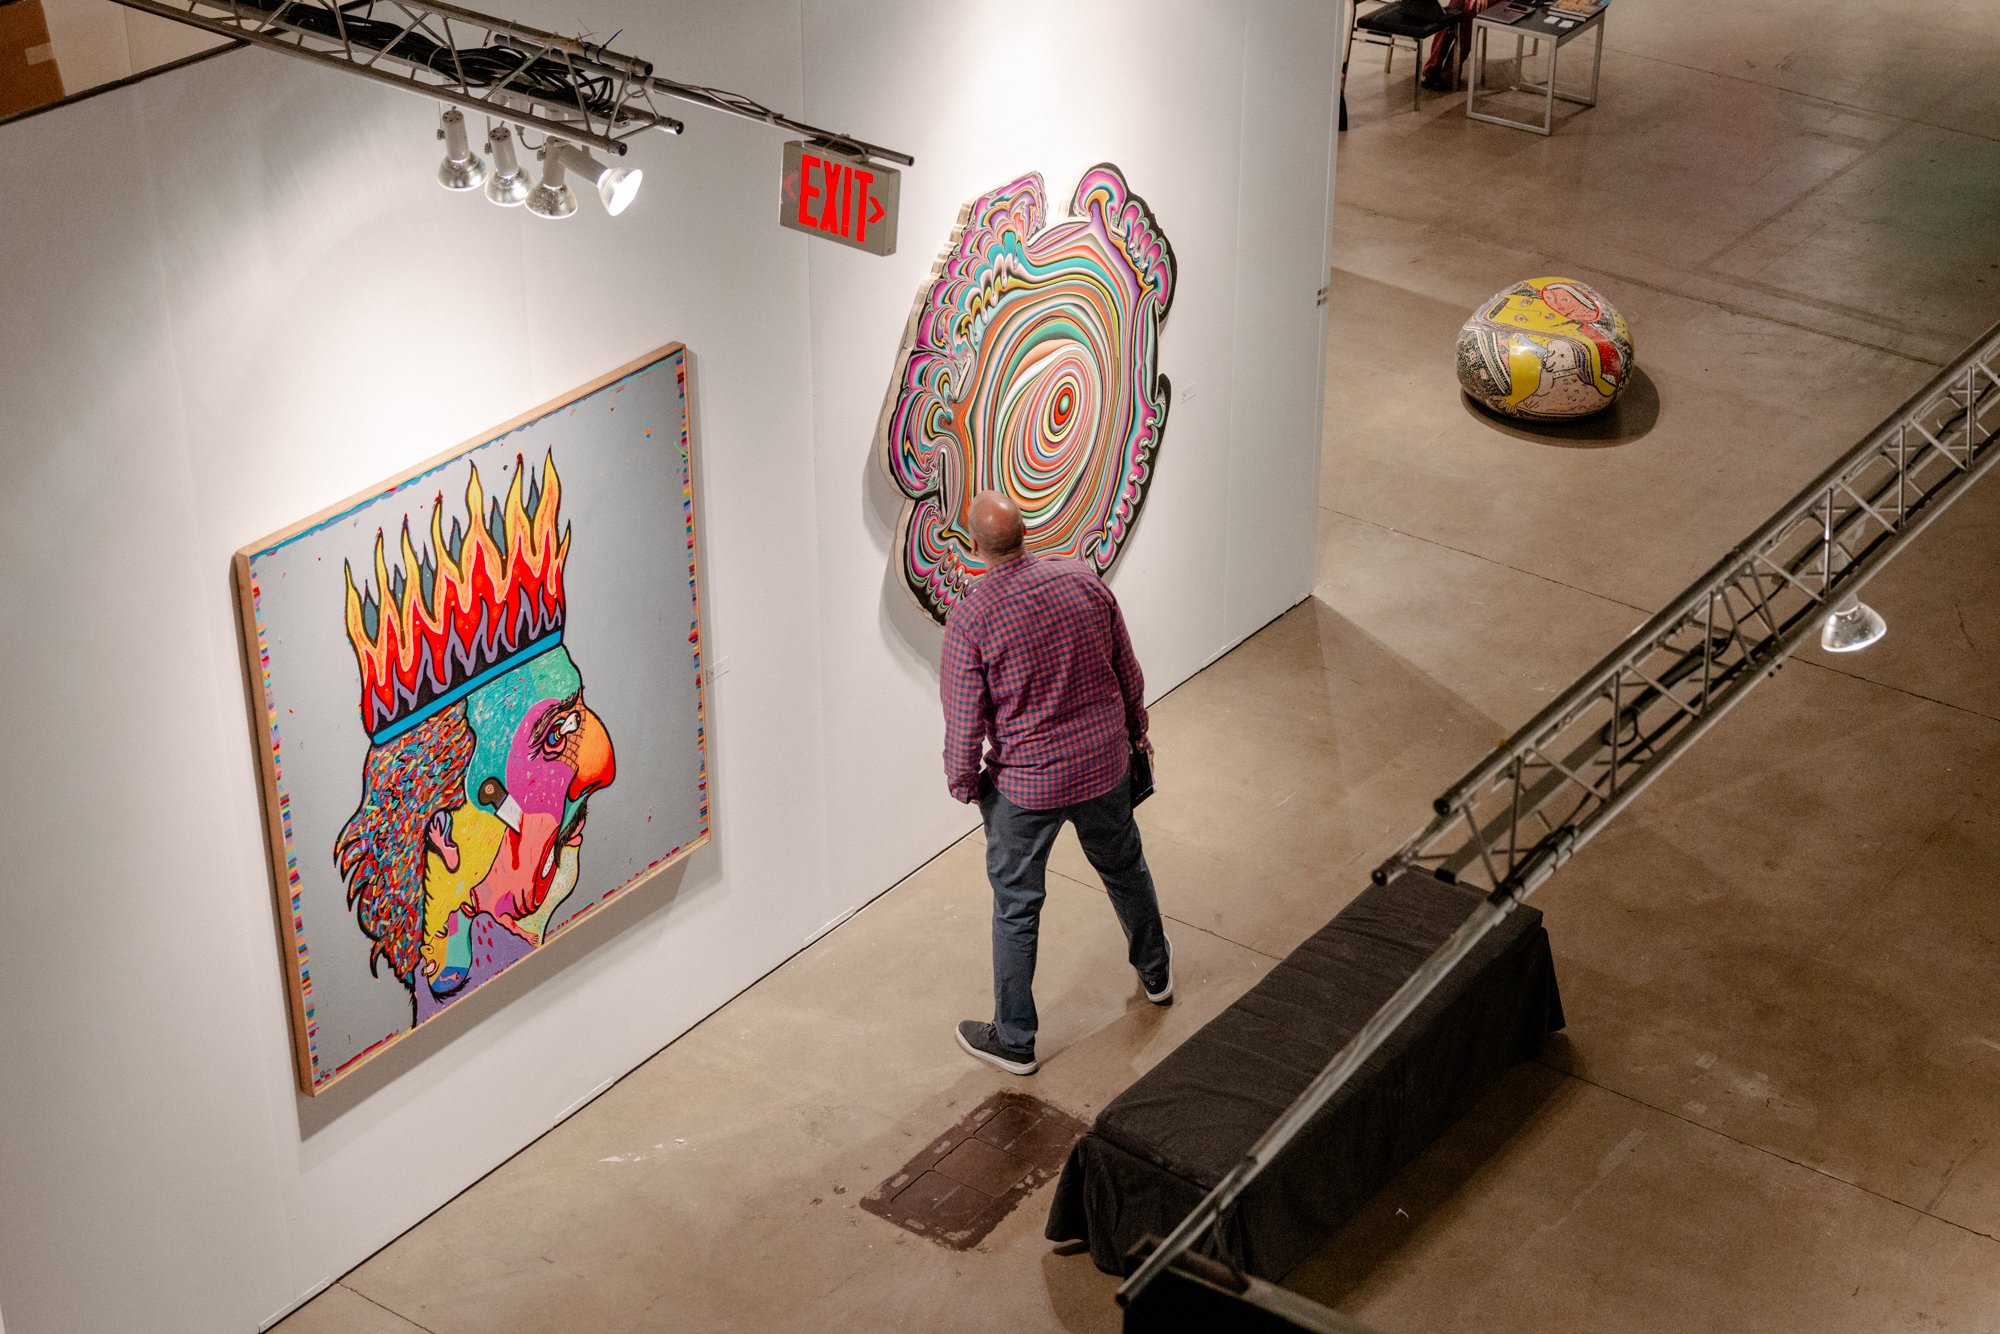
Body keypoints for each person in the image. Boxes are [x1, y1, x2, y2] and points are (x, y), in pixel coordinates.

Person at [939, 490, 1172, 1076]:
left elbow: (964, 722)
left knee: (1017, 907)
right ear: (1026, 531)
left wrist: (965, 784)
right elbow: (1127, 668)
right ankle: (1157, 972)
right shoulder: (1080, 579)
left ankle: (1015, 1040)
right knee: (1124, 866)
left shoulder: (971, 617)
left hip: (1027, 785)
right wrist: (1135, 731)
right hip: (1102, 764)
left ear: (973, 547)